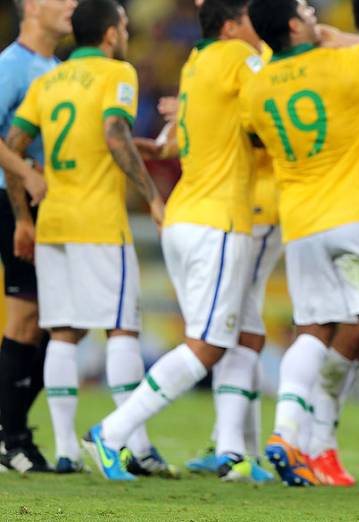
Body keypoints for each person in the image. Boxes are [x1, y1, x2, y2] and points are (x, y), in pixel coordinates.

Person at [245, 0, 359, 489]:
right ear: (293, 25)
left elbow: (256, 137)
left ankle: (286, 432)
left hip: (303, 223)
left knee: (311, 329)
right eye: (307, 13)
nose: (316, 19)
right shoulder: (342, 60)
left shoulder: (256, 84)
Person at [82, 0, 264, 481]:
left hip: (185, 215)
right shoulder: (236, 58)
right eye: (248, 19)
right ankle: (112, 431)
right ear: (231, 25)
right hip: (218, 219)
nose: (255, 27)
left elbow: (180, 138)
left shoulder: (196, 63)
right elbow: (274, 108)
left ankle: (229, 450)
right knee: (205, 345)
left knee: (236, 336)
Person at [7, 0, 171, 477]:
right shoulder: (117, 73)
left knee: (62, 331)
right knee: (122, 328)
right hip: (99, 222)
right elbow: (115, 134)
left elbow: (13, 149)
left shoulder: (47, 81)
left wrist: (24, 215)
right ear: (109, 34)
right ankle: (131, 444)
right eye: (122, 25)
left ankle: (65, 451)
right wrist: (155, 198)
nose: (125, 32)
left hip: (53, 220)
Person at [0, 0, 75, 474]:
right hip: (14, 202)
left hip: (54, 204)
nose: (71, 4)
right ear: (30, 6)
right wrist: (25, 175)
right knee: (28, 317)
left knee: (62, 322)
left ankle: (13, 429)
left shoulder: (58, 69)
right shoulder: (11, 65)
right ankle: (11, 438)